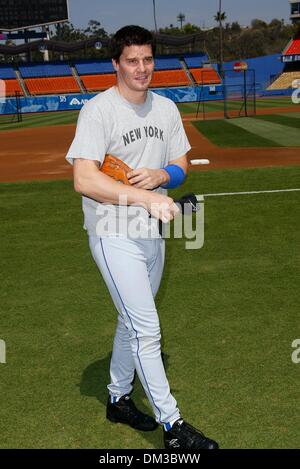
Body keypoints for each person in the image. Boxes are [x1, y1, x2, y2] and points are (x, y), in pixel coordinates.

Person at [66, 25, 218, 450]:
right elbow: (83, 178)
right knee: (147, 329)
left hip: (152, 231)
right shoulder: (98, 111)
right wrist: (140, 195)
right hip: (112, 232)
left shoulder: (166, 109)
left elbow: (182, 164)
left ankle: (117, 397)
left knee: (130, 321)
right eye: (132, 60)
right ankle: (173, 426)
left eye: (147, 59)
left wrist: (161, 175)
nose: (141, 68)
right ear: (116, 64)